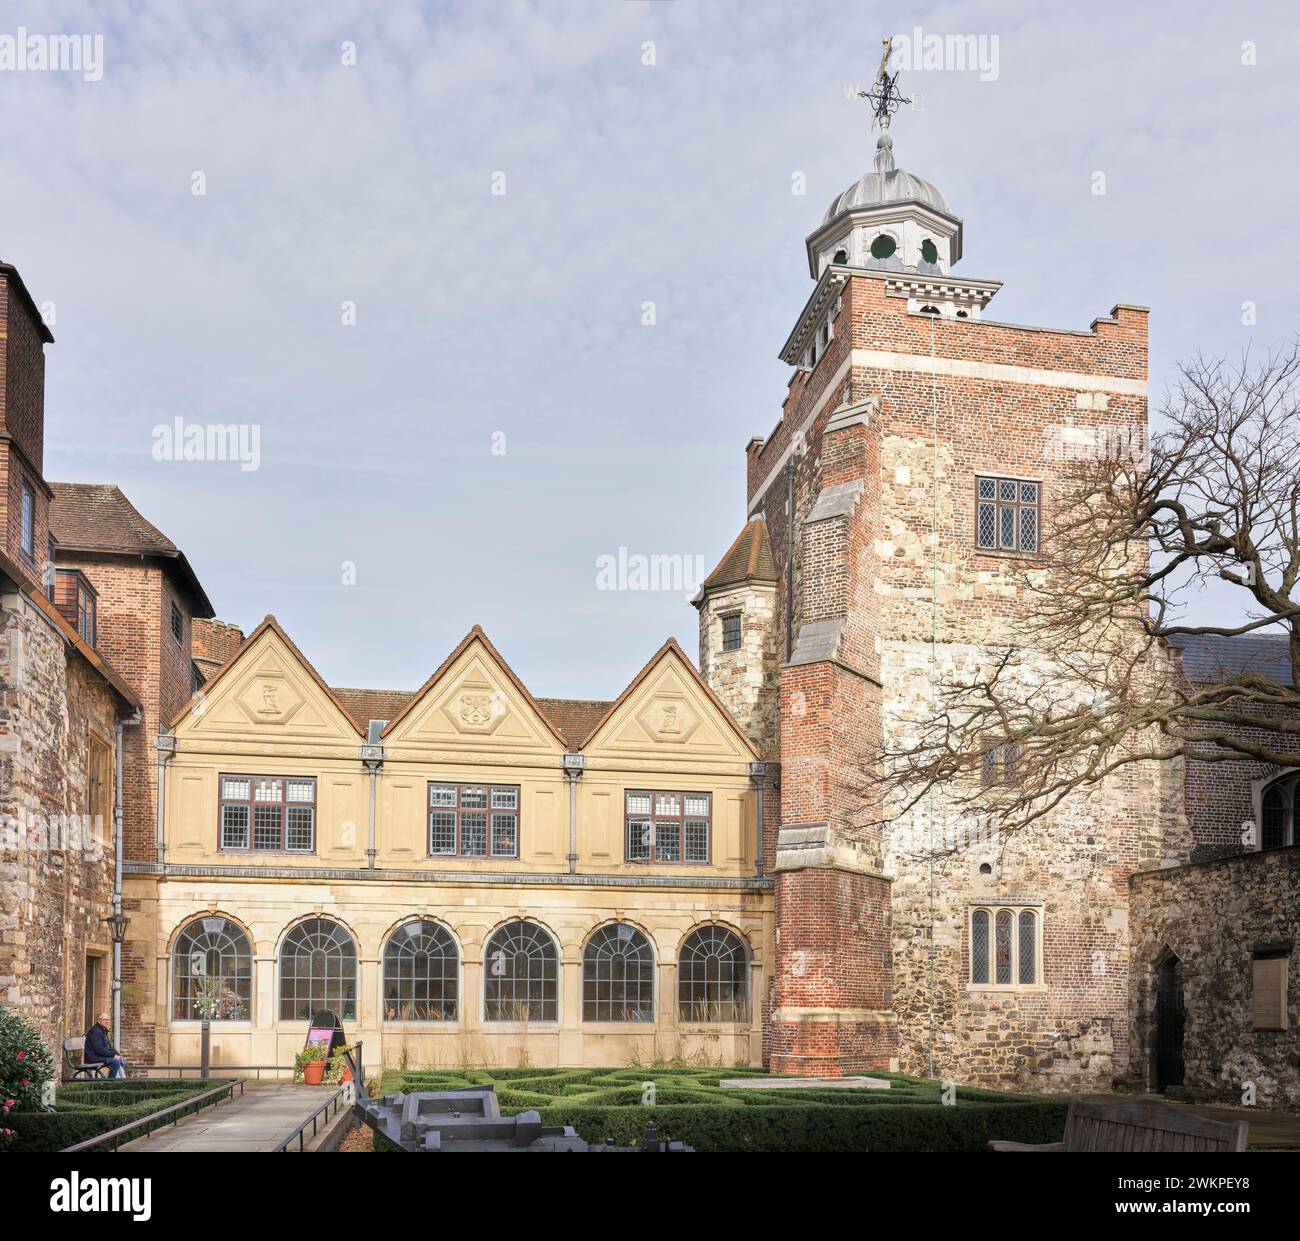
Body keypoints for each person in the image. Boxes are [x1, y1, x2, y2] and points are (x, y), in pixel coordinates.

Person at [84, 1012, 127, 1079]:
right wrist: (113, 1055)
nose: (107, 1022)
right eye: (104, 1020)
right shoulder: (95, 1031)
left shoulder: (103, 1030)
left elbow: (109, 1046)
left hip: (99, 1055)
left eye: (108, 1020)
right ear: (99, 1021)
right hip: (93, 1057)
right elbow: (99, 1049)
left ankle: (121, 1080)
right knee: (115, 1062)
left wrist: (117, 1054)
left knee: (121, 1060)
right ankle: (110, 1083)